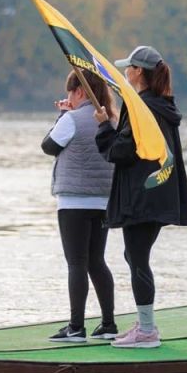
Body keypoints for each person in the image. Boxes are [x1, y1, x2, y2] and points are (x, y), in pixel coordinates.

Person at [95, 46, 187, 348]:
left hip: (142, 193)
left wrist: (103, 126)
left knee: (137, 259)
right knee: (134, 256)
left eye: (129, 67)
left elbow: (120, 152)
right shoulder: (162, 105)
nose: (126, 71)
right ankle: (144, 321)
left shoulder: (141, 108)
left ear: (138, 72)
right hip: (158, 192)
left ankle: (148, 331)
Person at [41, 69, 117, 343]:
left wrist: (63, 114)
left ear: (80, 92)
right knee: (97, 261)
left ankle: (76, 327)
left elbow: (48, 146)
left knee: (76, 263)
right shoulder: (110, 119)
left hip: (73, 200)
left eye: (71, 93)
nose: (69, 98)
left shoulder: (70, 119)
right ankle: (108, 323)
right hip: (103, 200)